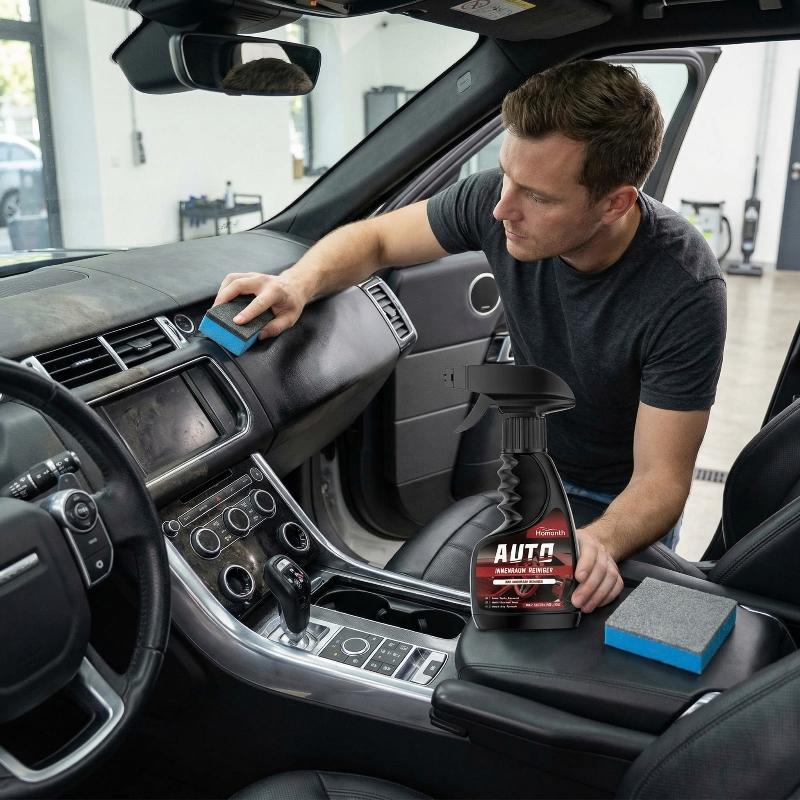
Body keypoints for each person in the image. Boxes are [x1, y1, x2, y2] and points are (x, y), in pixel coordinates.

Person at [213, 60, 726, 613]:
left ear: (615, 203)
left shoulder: (684, 289)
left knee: (567, 638)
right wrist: (298, 282)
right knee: (469, 619)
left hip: (621, 503)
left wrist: (600, 541)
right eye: (506, 175)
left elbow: (660, 481)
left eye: (539, 197)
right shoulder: (497, 202)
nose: (503, 209)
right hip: (535, 469)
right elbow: (377, 240)